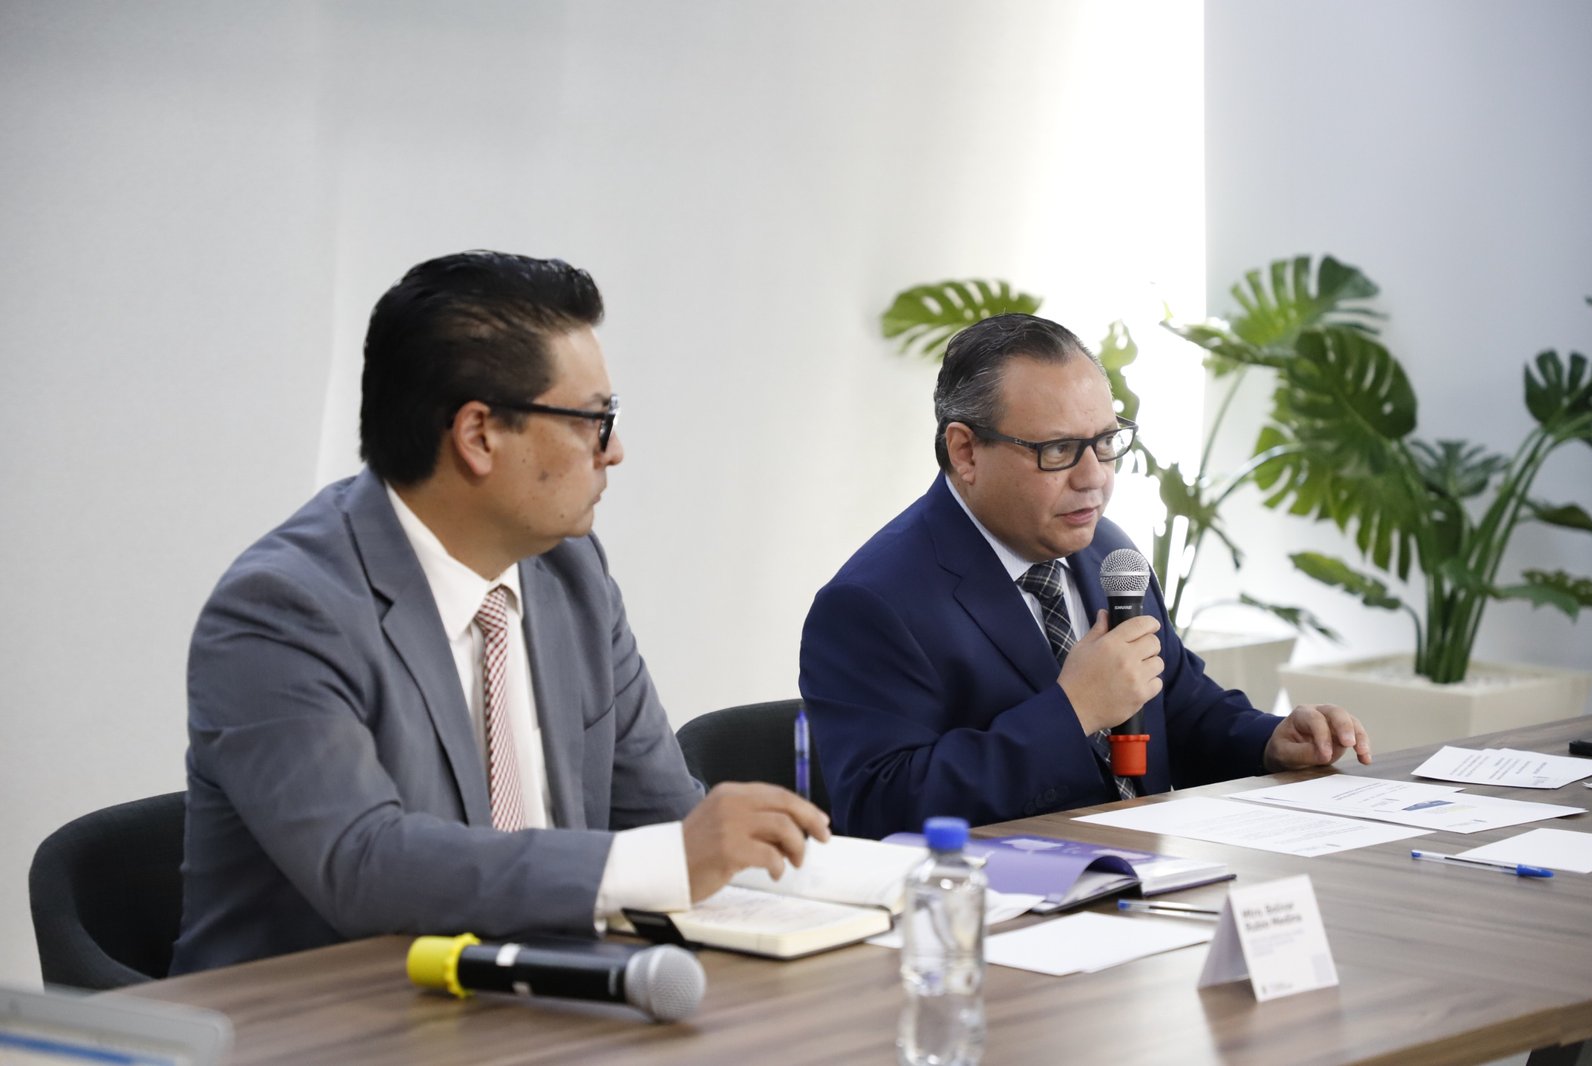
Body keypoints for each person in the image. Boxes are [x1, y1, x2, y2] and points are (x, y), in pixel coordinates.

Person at [172, 251, 827, 973]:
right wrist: (667, 859)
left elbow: (666, 817)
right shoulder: (283, 612)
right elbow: (365, 865)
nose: (614, 452)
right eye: (595, 419)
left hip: (549, 993)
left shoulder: (570, 573)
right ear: (479, 435)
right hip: (327, 1011)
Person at [798, 313, 1370, 840]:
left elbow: (1179, 706)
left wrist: (1270, 741)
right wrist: (1073, 711)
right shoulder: (871, 603)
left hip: (1148, 875)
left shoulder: (1108, 550)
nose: (1094, 477)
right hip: (1006, 902)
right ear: (966, 452)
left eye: (1105, 441)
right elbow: (880, 809)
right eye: (1059, 449)